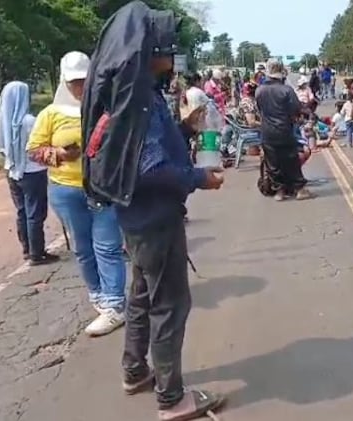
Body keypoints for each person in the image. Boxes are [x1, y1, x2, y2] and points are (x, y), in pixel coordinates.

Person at [81, 3, 226, 419]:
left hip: (134, 218)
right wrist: (201, 178)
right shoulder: (139, 100)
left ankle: (134, 371)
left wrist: (181, 129)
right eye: (169, 44)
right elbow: (150, 168)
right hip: (155, 220)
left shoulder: (128, 92)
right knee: (170, 305)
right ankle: (172, 399)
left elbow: (137, 155)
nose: (174, 51)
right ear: (151, 48)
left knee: (142, 297)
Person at [28, 51, 127, 337]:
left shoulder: (105, 108)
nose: (80, 86)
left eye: (85, 80)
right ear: (64, 81)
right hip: (66, 189)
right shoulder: (51, 114)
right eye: (74, 81)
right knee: (83, 248)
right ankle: (98, 293)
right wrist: (58, 153)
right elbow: (33, 150)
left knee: (108, 246)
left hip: (103, 188)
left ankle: (115, 303)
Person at [0, 81, 59, 266]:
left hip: (12, 170)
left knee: (22, 211)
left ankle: (27, 249)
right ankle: (37, 253)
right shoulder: (29, 121)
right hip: (33, 171)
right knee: (35, 213)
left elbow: (0, 147)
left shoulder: (2, 120)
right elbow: (40, 147)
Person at [256, 58, 311, 201]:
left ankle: (279, 191)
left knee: (273, 163)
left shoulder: (259, 91)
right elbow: (296, 109)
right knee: (291, 160)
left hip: (267, 131)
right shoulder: (286, 90)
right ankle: (299, 189)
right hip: (284, 130)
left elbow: (260, 110)